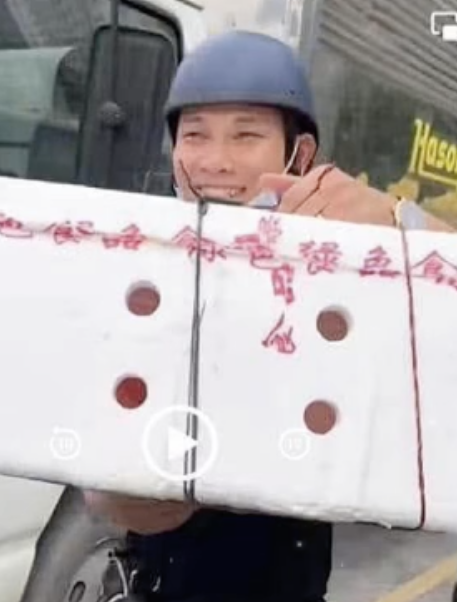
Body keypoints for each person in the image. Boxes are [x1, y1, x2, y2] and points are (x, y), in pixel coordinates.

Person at [84, 30, 454, 602]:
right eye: (195, 135)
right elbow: (102, 486)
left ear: (299, 156)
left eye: (246, 135)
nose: (215, 161)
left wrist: (401, 222)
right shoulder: (145, 271)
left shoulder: (339, 273)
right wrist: (137, 492)